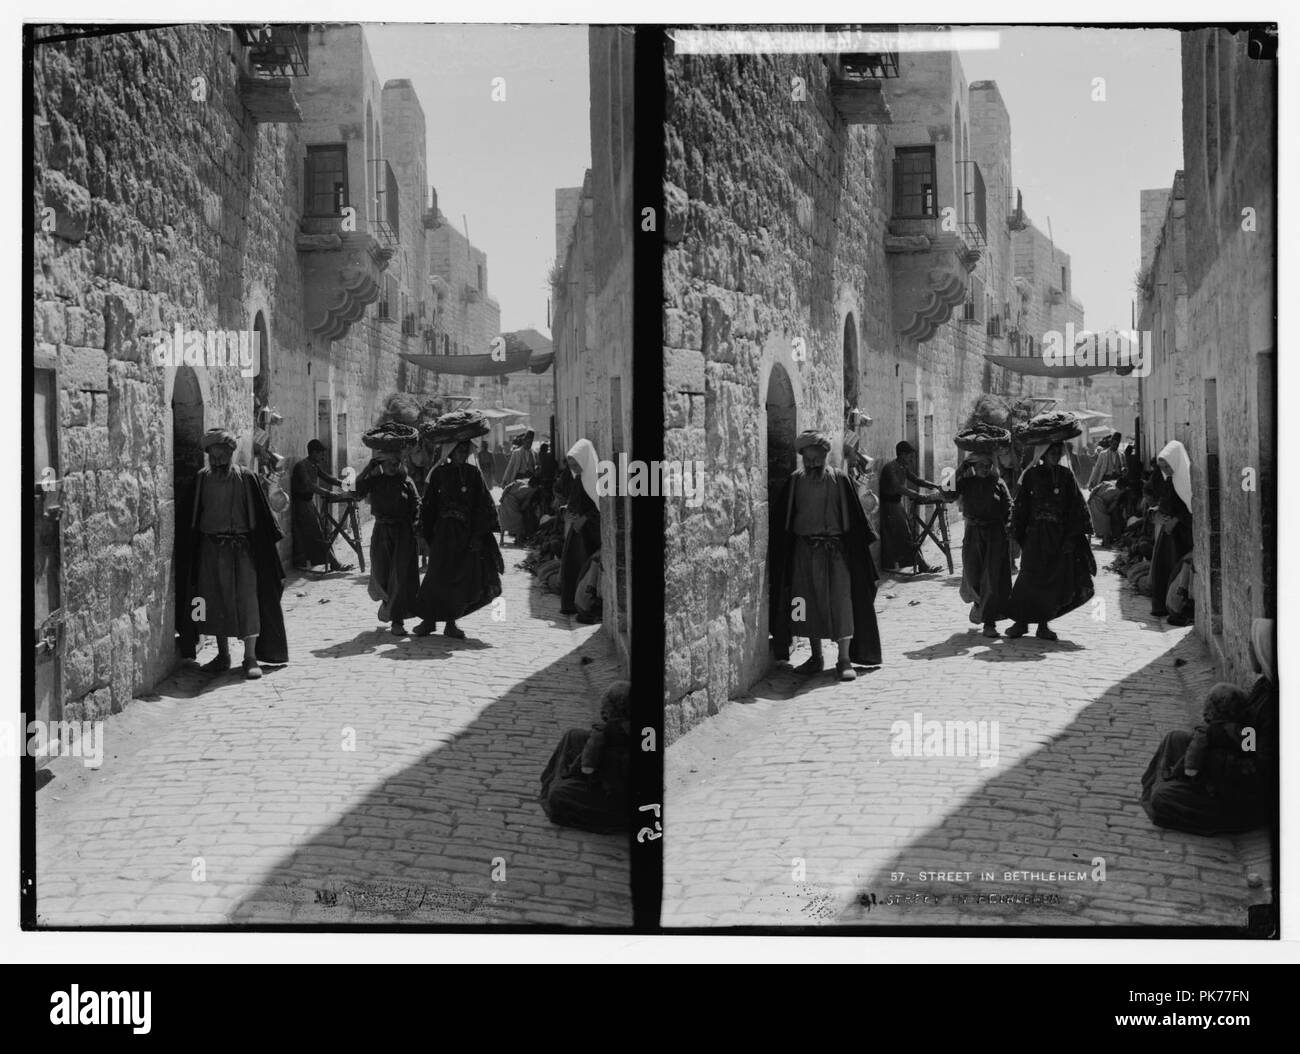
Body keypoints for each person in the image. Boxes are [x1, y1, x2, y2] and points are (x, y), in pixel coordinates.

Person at [1140, 618, 1276, 835]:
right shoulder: (1263, 687)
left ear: (1263, 652)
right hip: (1231, 756)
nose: (1248, 650)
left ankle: (1176, 787)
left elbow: (1257, 768)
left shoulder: (1271, 706)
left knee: (1161, 798)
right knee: (1174, 739)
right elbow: (1247, 739)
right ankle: (1177, 782)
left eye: (1252, 646)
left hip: (1244, 799)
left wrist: (1212, 757)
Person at [770, 430, 881, 681]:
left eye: (816, 459)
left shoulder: (840, 480)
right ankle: (815, 657)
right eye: (807, 460)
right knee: (804, 606)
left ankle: (843, 660)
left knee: (842, 603)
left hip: (836, 553)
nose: (811, 464)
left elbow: (855, 520)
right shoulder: (795, 481)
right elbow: (781, 523)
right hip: (803, 553)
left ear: (825, 455)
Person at [187, 427, 288, 678]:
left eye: (222, 455)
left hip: (242, 550)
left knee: (247, 601)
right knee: (213, 601)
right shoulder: (201, 479)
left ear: (231, 454)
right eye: (214, 456)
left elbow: (263, 520)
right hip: (210, 551)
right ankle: (222, 655)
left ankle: (250, 657)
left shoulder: (246, 479)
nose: (218, 460)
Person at [412, 434, 505, 639]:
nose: (463, 455)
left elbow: (483, 504)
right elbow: (429, 504)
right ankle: (428, 621)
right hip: (443, 534)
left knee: (458, 579)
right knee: (436, 575)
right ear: (450, 452)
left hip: (466, 534)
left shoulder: (473, 474)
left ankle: (451, 623)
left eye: (466, 451)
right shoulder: (439, 474)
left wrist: (478, 535)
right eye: (459, 451)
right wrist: (424, 532)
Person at [1004, 441, 1095, 641]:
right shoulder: (1031, 476)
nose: (1054, 455)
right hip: (1035, 535)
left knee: (1051, 581)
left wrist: (1073, 536)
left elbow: (1075, 505)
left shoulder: (1066, 476)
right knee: (1028, 577)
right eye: (1050, 451)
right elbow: (1022, 506)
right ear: (1042, 454)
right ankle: (1020, 623)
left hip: (1058, 536)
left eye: (1057, 452)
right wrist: (1017, 531)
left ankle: (1043, 625)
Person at [539, 680, 631, 834]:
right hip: (603, 770)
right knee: (573, 735)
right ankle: (564, 779)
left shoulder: (624, 735)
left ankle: (566, 783)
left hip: (616, 797)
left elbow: (612, 776)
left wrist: (594, 761)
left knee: (558, 796)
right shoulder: (617, 725)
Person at [355, 449, 420, 636]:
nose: (393, 466)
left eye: (396, 462)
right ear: (381, 464)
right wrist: (368, 468)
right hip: (382, 532)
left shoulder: (407, 482)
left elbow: (416, 504)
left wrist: (417, 523)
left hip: (403, 533)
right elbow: (355, 491)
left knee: (399, 577)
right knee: (381, 574)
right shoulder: (375, 482)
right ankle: (388, 604)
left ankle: (397, 621)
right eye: (388, 463)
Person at [954, 452, 1013, 638]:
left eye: (988, 466)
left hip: (995, 534)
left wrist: (1010, 524)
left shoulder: (998, 483)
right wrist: (960, 470)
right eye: (980, 465)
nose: (984, 469)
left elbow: (1008, 506)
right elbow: (947, 493)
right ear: (973, 466)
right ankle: (979, 604)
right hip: (973, 533)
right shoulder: (966, 482)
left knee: (991, 577)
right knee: (973, 575)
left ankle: (989, 622)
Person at [878, 440, 945, 574]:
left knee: (910, 535)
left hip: (897, 505)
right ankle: (922, 565)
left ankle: (920, 564)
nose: (912, 459)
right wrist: (918, 495)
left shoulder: (903, 467)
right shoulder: (890, 468)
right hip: (890, 506)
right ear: (902, 455)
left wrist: (934, 485)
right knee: (907, 536)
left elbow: (917, 480)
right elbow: (898, 488)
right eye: (910, 456)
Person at [289, 439, 354, 573]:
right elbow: (309, 485)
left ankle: (331, 562)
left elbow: (328, 478)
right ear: (313, 453)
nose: (323, 458)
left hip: (308, 503)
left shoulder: (313, 465)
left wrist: (346, 484)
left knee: (321, 532)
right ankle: (334, 563)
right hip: (301, 504)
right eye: (321, 454)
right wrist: (330, 493)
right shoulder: (302, 466)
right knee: (319, 533)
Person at [1148, 439, 1194, 618]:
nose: (1165, 471)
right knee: (1161, 567)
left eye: (1167, 466)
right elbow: (1164, 503)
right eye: (1162, 467)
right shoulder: (1170, 481)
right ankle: (1161, 606)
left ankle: (1174, 606)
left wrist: (1176, 520)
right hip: (1168, 533)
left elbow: (1192, 508)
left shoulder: (1187, 481)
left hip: (1181, 535)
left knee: (1175, 569)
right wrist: (1157, 514)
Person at [558, 439, 603, 617]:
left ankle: (581, 604)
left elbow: (600, 507)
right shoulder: (579, 479)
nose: (574, 468)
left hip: (590, 533)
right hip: (577, 531)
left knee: (584, 568)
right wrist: (567, 513)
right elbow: (573, 502)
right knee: (569, 565)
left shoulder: (596, 479)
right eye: (571, 464)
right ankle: (570, 604)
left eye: (575, 463)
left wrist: (584, 518)